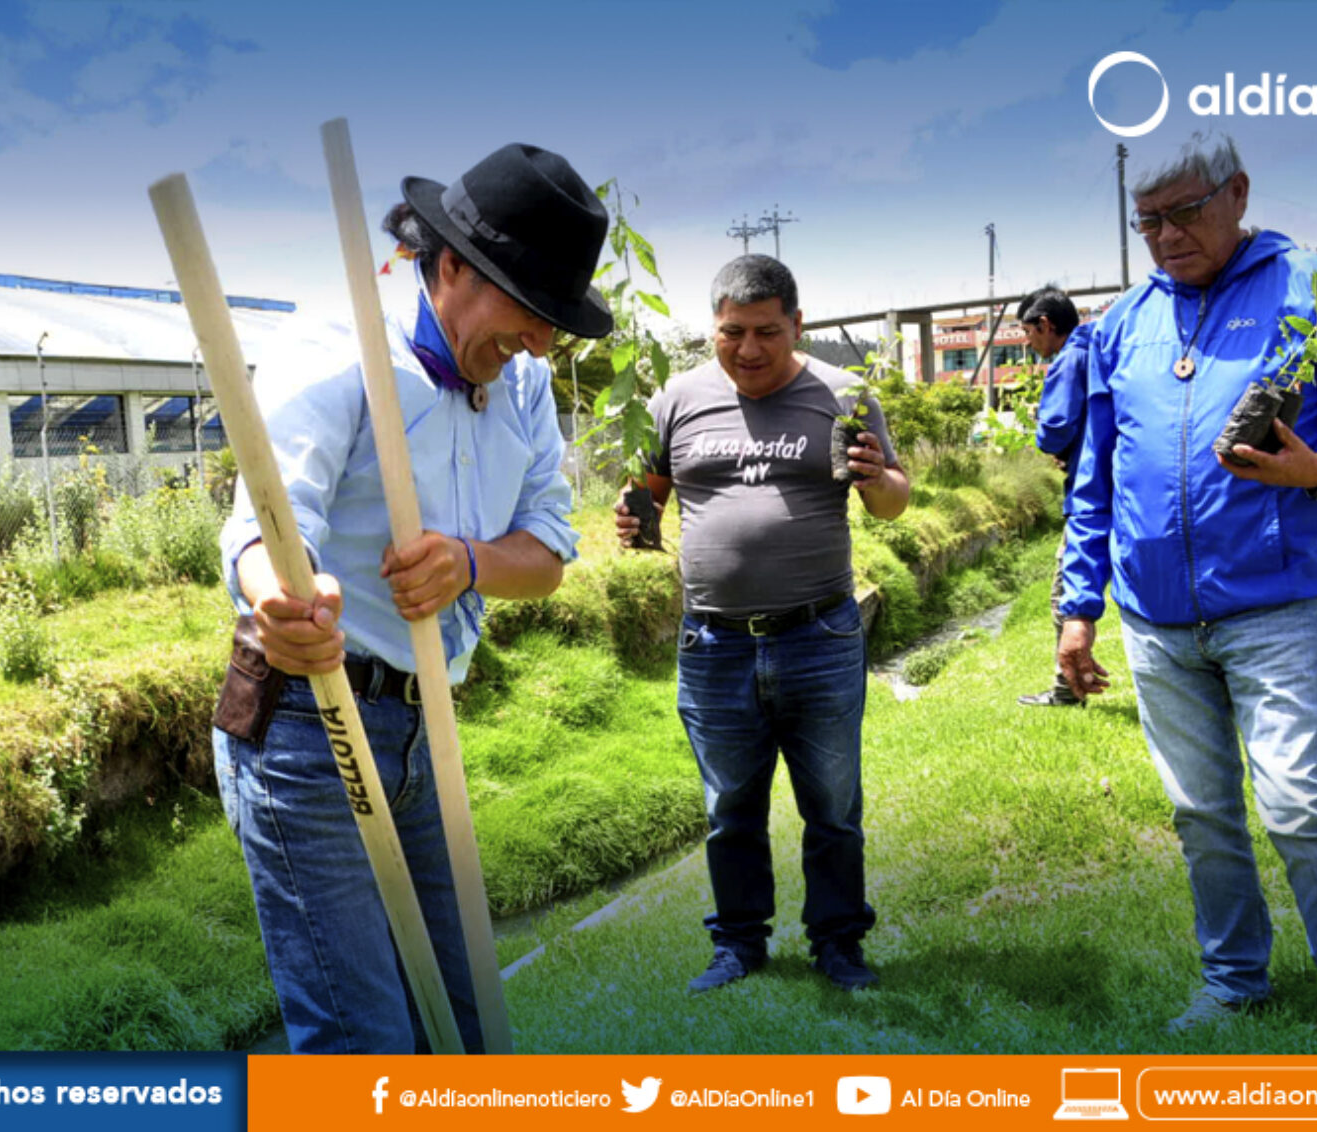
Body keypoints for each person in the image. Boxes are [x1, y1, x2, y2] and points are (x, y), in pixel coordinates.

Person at [209, 143, 612, 1054]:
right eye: (531, 310)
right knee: (367, 1045)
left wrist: (469, 562)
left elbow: (547, 552)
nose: (540, 343)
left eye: (555, 322)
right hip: (310, 720)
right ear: (453, 265)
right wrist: (284, 603)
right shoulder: (339, 348)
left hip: (425, 726)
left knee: (469, 1027)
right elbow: (265, 523)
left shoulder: (525, 386)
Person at [1055, 130, 1317, 1053]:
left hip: (1270, 609)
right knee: (1202, 813)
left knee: (1298, 804)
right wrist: (1077, 608)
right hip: (1155, 622)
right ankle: (1234, 981)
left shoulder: (1314, 292)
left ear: (1238, 193)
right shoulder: (1123, 324)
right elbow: (1095, 478)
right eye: (1147, 221)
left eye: (1185, 212)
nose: (1166, 236)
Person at [616, 255, 910, 993]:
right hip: (712, 643)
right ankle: (739, 945)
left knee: (832, 805)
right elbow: (648, 492)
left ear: (797, 325)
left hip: (819, 636)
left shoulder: (844, 396)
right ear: (712, 327)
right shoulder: (676, 398)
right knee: (729, 807)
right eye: (731, 332)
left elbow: (893, 501)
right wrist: (634, 519)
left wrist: (878, 478)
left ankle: (838, 944)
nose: (748, 349)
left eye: (766, 332)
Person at [1014, 284, 1095, 708]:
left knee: (1067, 594)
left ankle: (1068, 690)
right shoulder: (1096, 351)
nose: (1027, 343)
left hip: (1090, 495)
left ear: (1045, 325)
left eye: (1028, 333)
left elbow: (1055, 429)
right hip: (1113, 485)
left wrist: (1044, 430)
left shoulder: (1069, 359)